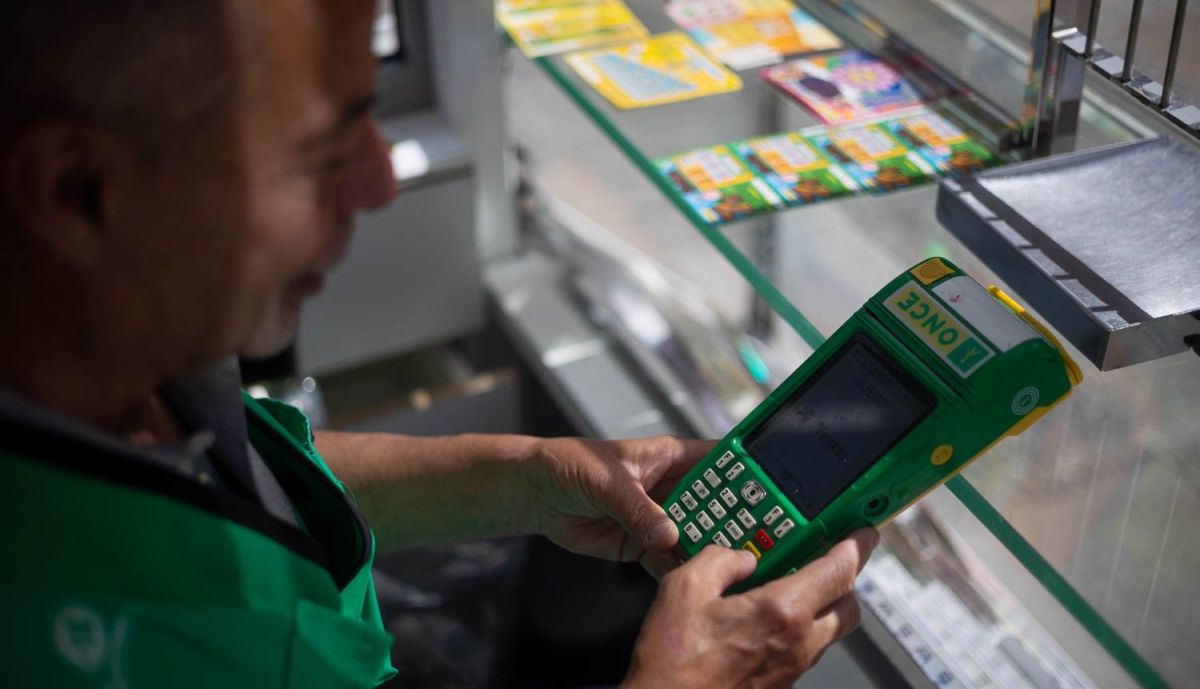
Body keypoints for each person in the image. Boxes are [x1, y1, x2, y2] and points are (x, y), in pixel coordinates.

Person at [0, 1, 878, 688]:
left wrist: (527, 476)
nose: (381, 180)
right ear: (80, 192)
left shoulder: (132, 351)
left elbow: (263, 478)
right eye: (321, 151)